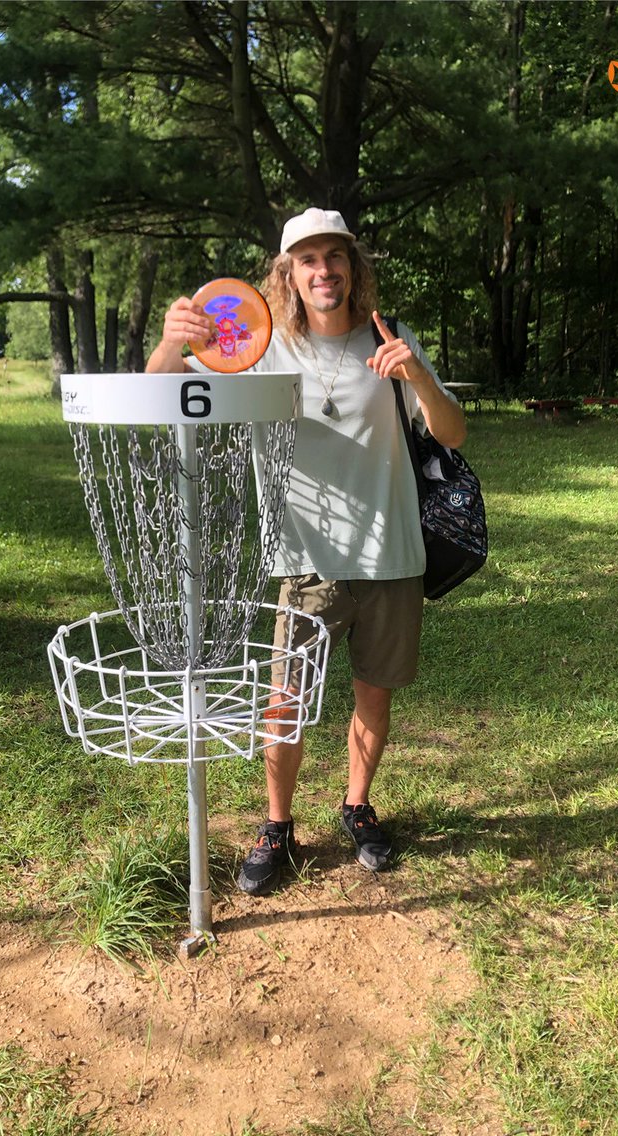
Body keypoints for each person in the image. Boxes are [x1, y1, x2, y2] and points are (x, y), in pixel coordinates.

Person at [146, 207, 466, 895]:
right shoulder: (258, 344)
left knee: (373, 697)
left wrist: (418, 379)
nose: (324, 271)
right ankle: (277, 825)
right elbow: (165, 396)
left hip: (391, 554)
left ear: (353, 266)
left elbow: (452, 433)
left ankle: (356, 807)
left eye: (335, 256)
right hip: (304, 560)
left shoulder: (390, 337)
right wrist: (175, 344)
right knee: (284, 702)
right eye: (308, 260)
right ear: (287, 273)